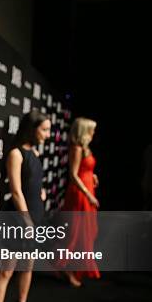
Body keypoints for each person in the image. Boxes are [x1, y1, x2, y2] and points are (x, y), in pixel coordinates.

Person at [0, 109, 51, 302]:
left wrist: (41, 193)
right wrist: (27, 222)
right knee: (7, 271)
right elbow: (16, 191)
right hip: (18, 219)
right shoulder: (16, 154)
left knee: (27, 267)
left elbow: (32, 184)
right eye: (44, 129)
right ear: (32, 128)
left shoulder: (35, 152)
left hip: (34, 216)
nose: (47, 135)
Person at [56, 117, 100, 287]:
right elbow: (73, 175)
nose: (94, 132)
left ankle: (73, 267)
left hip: (88, 189)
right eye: (92, 129)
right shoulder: (76, 148)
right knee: (75, 233)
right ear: (84, 130)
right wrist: (88, 195)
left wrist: (92, 175)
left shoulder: (85, 148)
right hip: (80, 194)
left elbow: (85, 168)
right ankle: (66, 268)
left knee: (88, 231)